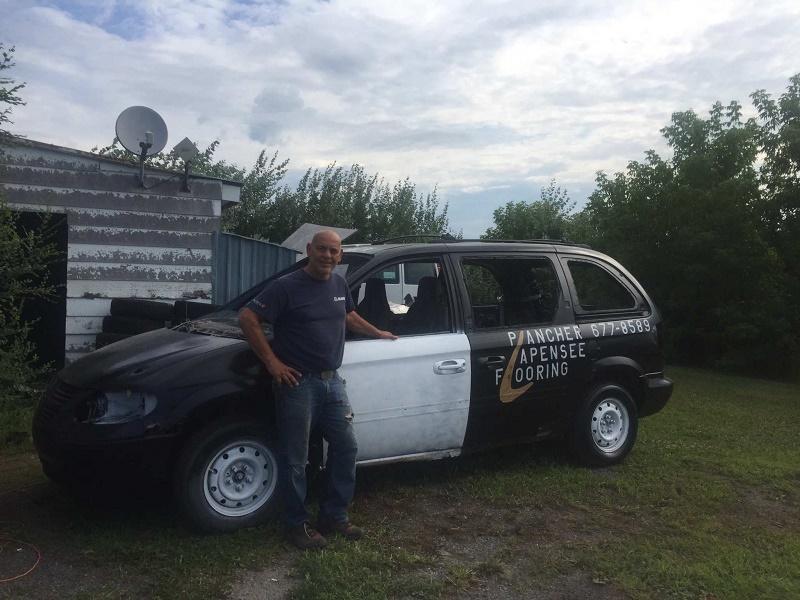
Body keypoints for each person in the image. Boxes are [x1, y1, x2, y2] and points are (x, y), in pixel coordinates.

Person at [239, 230, 397, 550]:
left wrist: (378, 333)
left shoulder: (338, 284)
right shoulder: (287, 287)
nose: (327, 255)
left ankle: (334, 516)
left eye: (333, 251)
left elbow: (348, 316)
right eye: (322, 249)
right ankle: (295, 525)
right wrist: (272, 363)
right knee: (295, 459)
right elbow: (248, 317)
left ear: (340, 255)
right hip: (298, 384)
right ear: (309, 250)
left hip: (332, 381)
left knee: (346, 447)